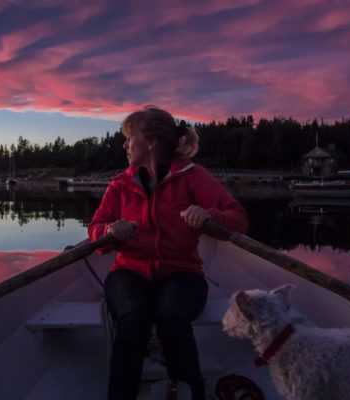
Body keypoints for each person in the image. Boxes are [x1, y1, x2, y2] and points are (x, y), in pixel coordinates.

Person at [88, 106, 249, 400]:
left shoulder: (193, 176)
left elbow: (237, 218)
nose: (124, 145)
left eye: (129, 138)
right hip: (129, 271)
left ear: (149, 142)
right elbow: (95, 230)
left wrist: (208, 216)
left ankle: (190, 392)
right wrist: (110, 232)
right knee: (133, 317)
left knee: (171, 316)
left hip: (183, 272)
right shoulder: (120, 184)